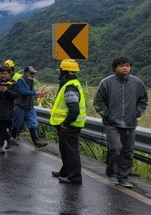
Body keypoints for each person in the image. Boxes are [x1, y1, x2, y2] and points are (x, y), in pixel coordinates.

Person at [94, 57, 148, 188]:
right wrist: (107, 115)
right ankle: (111, 172)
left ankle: (123, 176)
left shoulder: (137, 83)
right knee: (116, 149)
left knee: (128, 151)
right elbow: (99, 102)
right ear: (115, 68)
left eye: (128, 65)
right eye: (122, 65)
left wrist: (137, 113)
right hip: (112, 123)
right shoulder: (106, 83)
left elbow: (143, 100)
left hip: (130, 123)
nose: (125, 68)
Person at [50, 59, 87, 184]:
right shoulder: (71, 84)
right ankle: (65, 171)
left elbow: (74, 109)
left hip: (69, 126)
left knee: (71, 152)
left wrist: (66, 124)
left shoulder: (69, 87)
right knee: (65, 150)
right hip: (68, 125)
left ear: (63, 71)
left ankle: (75, 177)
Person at [10, 66, 47, 148]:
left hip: (29, 106)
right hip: (20, 106)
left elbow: (30, 92)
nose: (33, 74)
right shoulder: (20, 80)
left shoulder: (31, 81)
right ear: (26, 72)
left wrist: (37, 94)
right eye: (32, 73)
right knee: (17, 123)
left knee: (33, 123)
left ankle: (36, 142)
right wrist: (35, 92)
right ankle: (12, 139)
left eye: (34, 73)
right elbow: (23, 91)